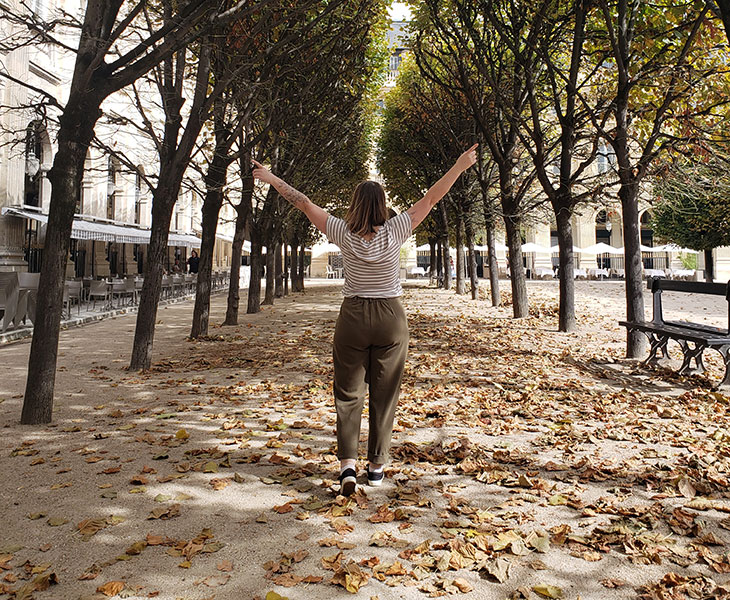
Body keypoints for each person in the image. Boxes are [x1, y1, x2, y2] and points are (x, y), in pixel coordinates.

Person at [252, 143, 477, 496]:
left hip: (353, 315)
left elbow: (303, 201)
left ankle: (347, 466)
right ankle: (376, 467)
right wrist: (460, 165)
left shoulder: (341, 231)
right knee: (385, 395)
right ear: (383, 204)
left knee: (348, 392)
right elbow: (432, 198)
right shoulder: (397, 229)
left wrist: (268, 177)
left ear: (355, 205)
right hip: (390, 315)